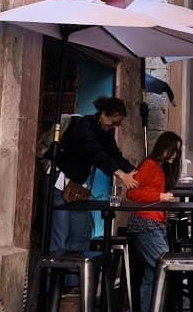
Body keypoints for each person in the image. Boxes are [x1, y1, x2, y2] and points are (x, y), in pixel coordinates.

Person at [51, 96, 134, 254]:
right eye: (113, 122)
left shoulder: (105, 134)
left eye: (117, 124)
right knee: (60, 236)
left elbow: (115, 156)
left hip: (77, 185)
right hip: (60, 181)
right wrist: (120, 175)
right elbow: (96, 153)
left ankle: (76, 277)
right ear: (103, 114)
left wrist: (135, 172)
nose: (113, 127)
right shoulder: (83, 128)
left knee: (81, 234)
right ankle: (53, 277)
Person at [121, 130, 181, 312]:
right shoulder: (149, 165)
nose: (176, 155)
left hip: (154, 224)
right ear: (165, 147)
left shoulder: (160, 168)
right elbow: (131, 192)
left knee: (152, 273)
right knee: (164, 266)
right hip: (146, 223)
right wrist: (160, 196)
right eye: (174, 150)